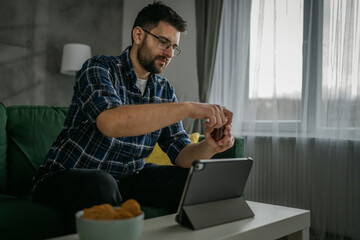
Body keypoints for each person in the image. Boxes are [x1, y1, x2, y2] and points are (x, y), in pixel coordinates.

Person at [32, 1, 234, 231]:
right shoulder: (97, 68)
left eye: (174, 47)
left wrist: (210, 146)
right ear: (139, 34)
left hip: (128, 177)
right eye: (163, 42)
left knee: (192, 181)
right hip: (67, 176)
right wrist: (188, 108)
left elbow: (182, 155)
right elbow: (111, 122)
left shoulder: (164, 90)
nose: (169, 53)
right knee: (101, 183)